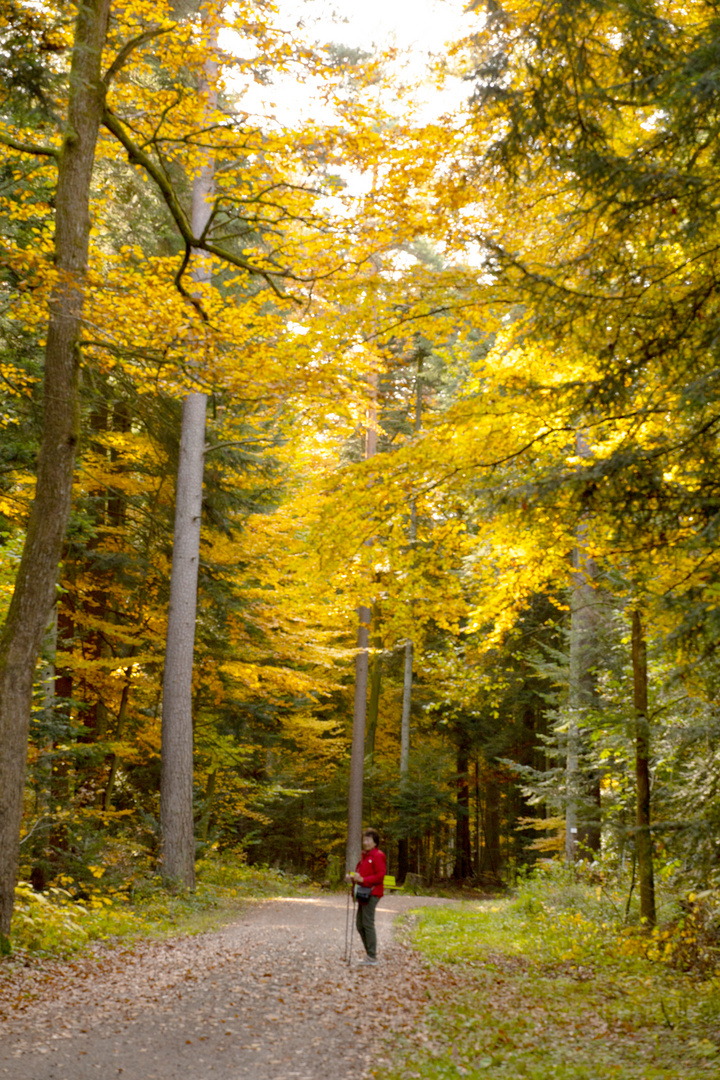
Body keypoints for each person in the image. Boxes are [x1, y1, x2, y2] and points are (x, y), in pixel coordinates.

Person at [345, 827, 386, 965]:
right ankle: (369, 954)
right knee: (359, 924)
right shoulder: (365, 856)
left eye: (369, 839)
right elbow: (362, 874)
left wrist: (363, 880)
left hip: (372, 893)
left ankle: (372, 956)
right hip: (363, 892)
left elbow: (380, 876)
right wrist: (352, 877)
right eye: (364, 839)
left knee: (367, 923)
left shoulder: (378, 855)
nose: (366, 842)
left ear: (375, 842)